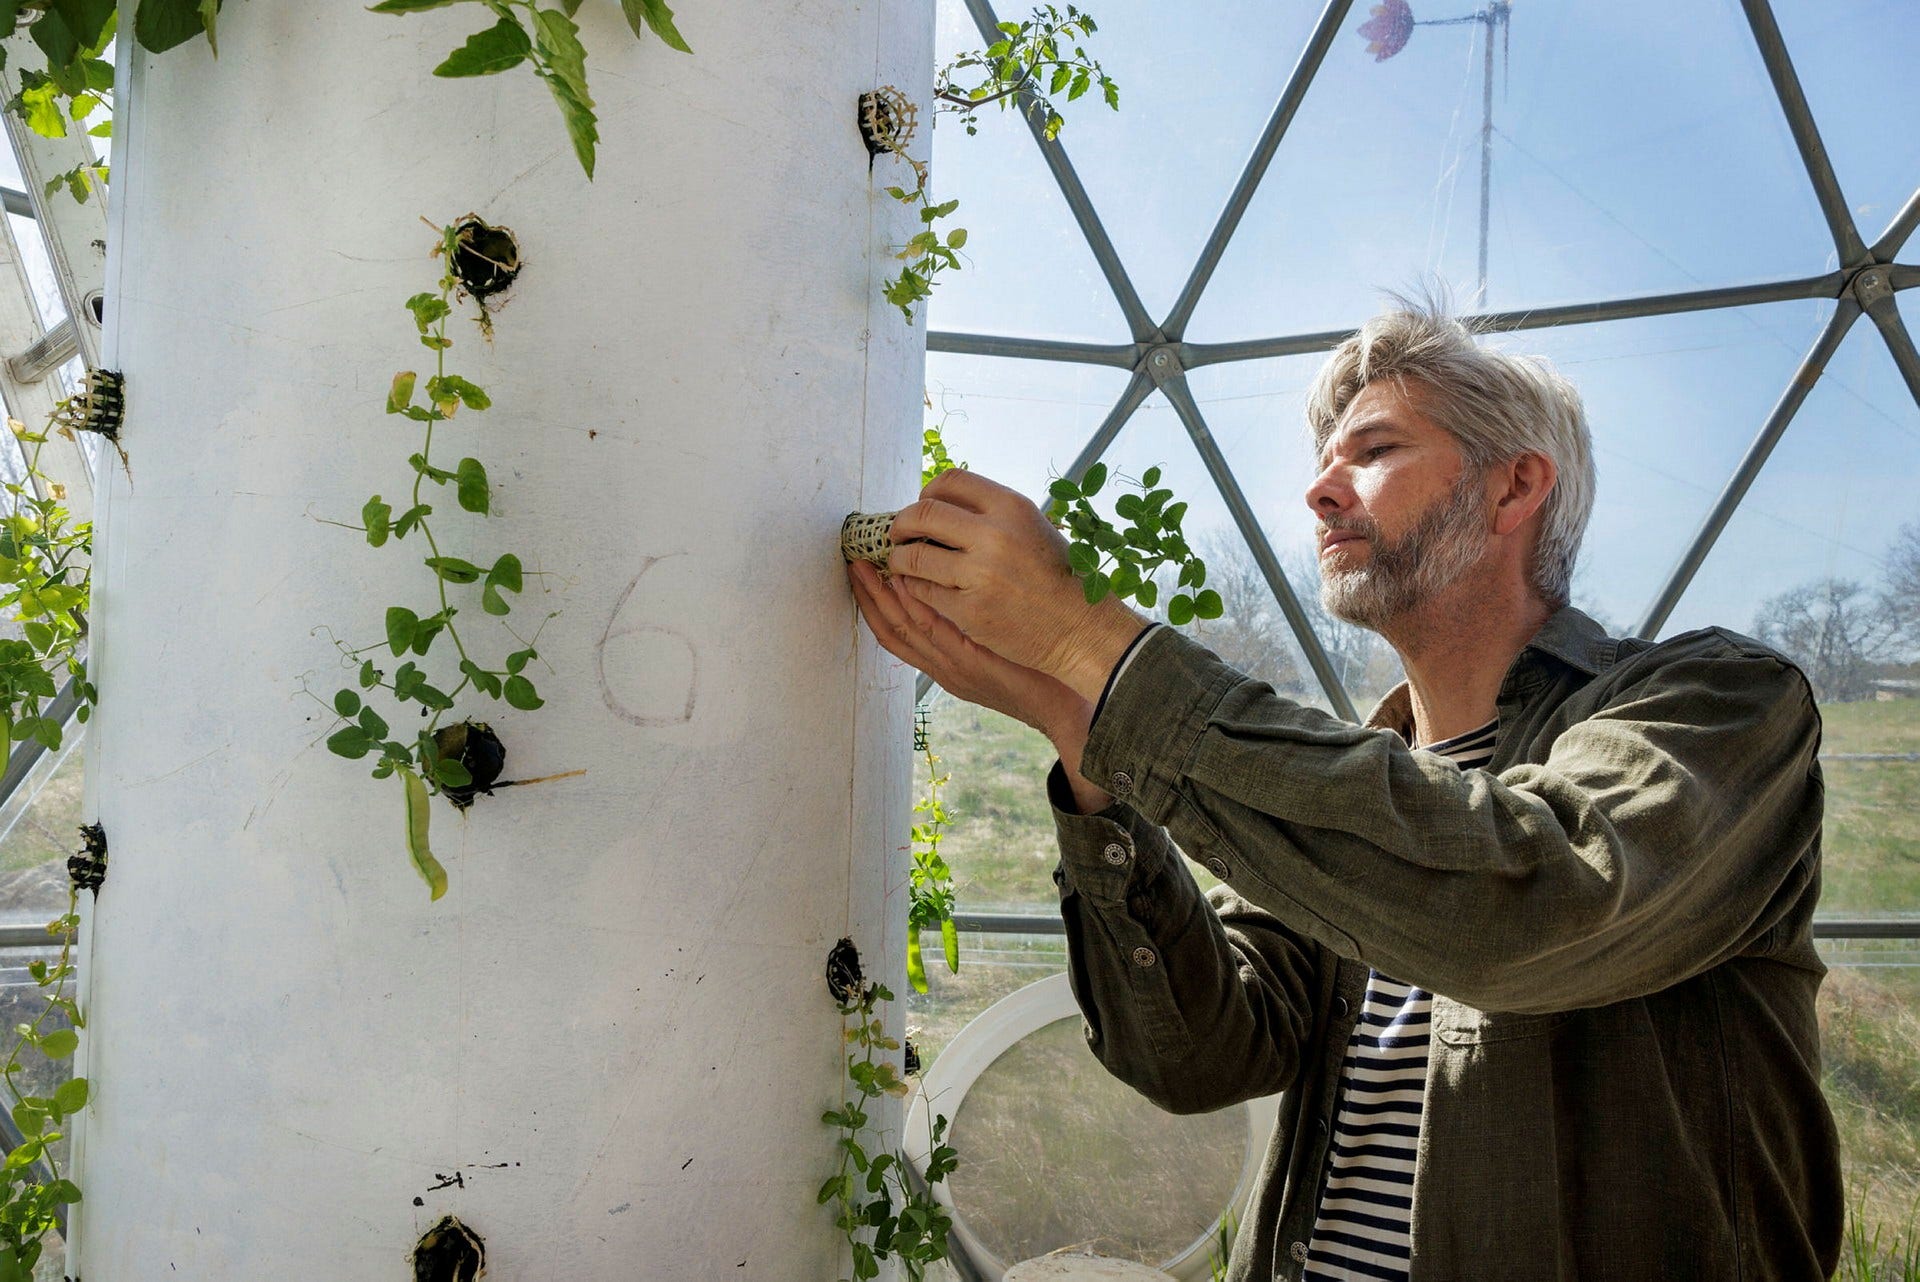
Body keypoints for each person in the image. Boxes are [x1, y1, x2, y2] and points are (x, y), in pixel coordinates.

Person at [846, 301, 1841, 1281]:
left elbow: (1526, 902)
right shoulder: (1343, 795)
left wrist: (1093, 637)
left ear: (1513, 487)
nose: (1322, 493)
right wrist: (1083, 734)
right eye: (1323, 464)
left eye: (1371, 451)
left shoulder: (1724, 705)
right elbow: (1199, 1054)